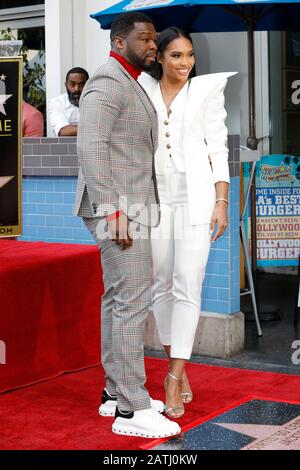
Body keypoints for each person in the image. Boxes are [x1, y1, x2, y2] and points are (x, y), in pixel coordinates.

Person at [74, 12, 181, 439]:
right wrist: (111, 210)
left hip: (129, 207)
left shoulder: (130, 80)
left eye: (155, 40)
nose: (153, 46)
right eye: (146, 39)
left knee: (119, 299)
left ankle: (115, 393)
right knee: (132, 302)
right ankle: (132, 409)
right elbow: (91, 147)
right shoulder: (106, 81)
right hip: (118, 210)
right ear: (120, 42)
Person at [138, 27, 237, 418]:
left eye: (190, 55)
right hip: (154, 200)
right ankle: (177, 363)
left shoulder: (207, 91)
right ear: (158, 56)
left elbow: (218, 147)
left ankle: (174, 377)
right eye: (176, 55)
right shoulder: (142, 89)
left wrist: (222, 201)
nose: (185, 63)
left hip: (196, 199)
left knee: (187, 285)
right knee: (160, 285)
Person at [48, 67, 89, 136]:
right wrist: (96, 129)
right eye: (72, 84)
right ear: (66, 85)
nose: (77, 89)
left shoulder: (97, 102)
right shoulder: (57, 102)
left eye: (81, 85)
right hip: (64, 146)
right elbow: (64, 131)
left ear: (88, 85)